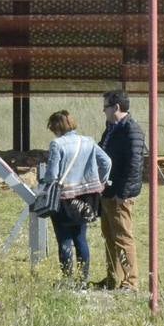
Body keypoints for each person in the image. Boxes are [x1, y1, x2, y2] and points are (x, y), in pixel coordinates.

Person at [43, 110, 112, 285]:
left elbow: (52, 175)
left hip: (65, 198)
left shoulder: (57, 145)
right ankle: (83, 280)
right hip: (88, 197)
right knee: (80, 237)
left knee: (64, 239)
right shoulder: (88, 141)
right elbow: (107, 162)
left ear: (56, 127)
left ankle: (67, 279)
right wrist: (100, 182)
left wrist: (45, 182)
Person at [95, 90, 145, 292]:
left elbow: (134, 165)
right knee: (109, 237)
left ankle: (130, 281)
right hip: (106, 192)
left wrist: (121, 194)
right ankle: (112, 278)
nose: (104, 111)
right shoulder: (111, 129)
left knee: (123, 238)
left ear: (116, 107)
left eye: (105, 106)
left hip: (119, 195)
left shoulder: (131, 130)